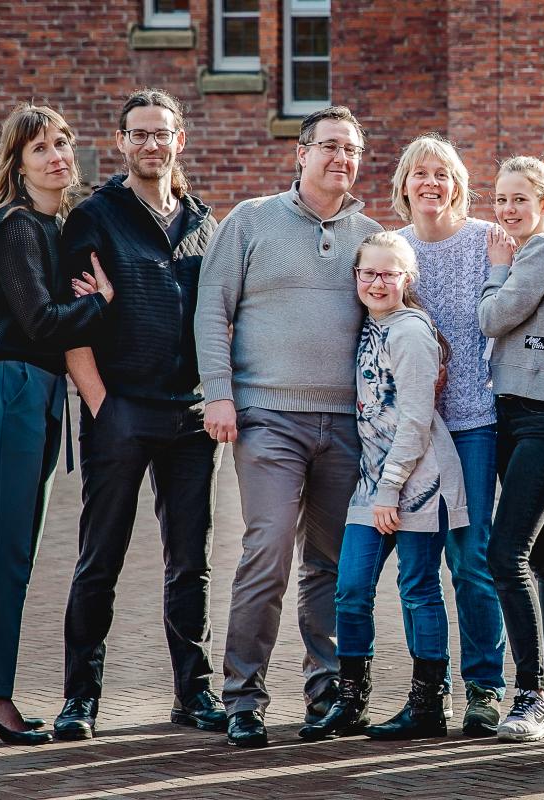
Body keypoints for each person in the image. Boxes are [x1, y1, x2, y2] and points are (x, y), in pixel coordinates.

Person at [194, 106, 383, 748]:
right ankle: (244, 697)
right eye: (329, 146)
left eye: (352, 149)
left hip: (345, 424)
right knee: (267, 549)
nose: (341, 158)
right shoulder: (250, 220)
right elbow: (210, 311)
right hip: (267, 418)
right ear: (299, 154)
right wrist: (218, 395)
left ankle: (325, 694)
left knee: (329, 564)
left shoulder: (371, 235)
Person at [55, 88, 223, 741]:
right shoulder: (95, 217)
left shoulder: (204, 225)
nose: (151, 144)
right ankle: (80, 701)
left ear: (180, 141)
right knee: (101, 559)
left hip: (189, 419)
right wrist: (102, 406)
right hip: (120, 411)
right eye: (139, 134)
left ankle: (195, 694)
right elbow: (73, 325)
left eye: (162, 133)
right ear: (122, 141)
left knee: (191, 562)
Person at [0, 104, 112, 746]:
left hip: (39, 393)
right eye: (40, 149)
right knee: (4, 549)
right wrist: (102, 303)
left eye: (63, 143)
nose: (58, 156)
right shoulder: (18, 226)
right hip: (11, 387)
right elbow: (44, 324)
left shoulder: (55, 229)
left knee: (17, 550)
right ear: (18, 165)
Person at [300, 232, 468, 742]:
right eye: (367, 273)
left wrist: (390, 490)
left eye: (388, 273)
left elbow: (417, 419)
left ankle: (429, 704)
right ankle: (351, 700)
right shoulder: (368, 328)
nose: (376, 282)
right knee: (351, 588)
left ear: (407, 279)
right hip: (373, 482)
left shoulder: (411, 331)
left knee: (418, 589)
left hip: (418, 482)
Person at [392, 134, 508, 735]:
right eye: (419, 173)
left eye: (442, 173)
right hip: (412, 429)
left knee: (471, 562)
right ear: (404, 184)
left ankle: (485, 690)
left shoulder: (484, 241)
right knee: (416, 568)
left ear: (457, 185)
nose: (430, 182)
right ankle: (427, 695)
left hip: (472, 424)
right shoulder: (394, 250)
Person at [478, 156, 544, 743]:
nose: (508, 210)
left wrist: (495, 271)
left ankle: (530, 694)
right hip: (518, 410)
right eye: (500, 199)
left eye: (520, 198)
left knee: (504, 554)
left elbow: (494, 317)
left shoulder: (540, 250)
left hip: (541, 417)